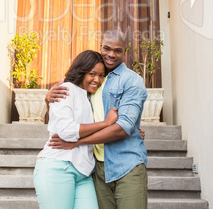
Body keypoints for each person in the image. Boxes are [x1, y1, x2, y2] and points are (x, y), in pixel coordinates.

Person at [47, 29, 148, 209]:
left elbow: (122, 128)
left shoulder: (132, 80)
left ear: (125, 51)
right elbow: (69, 112)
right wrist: (47, 99)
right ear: (100, 47)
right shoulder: (91, 80)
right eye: (107, 48)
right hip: (97, 169)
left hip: (127, 164)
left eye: (118, 50)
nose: (111, 54)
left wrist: (77, 142)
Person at [33, 49, 119, 209]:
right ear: (81, 71)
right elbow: (67, 131)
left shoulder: (90, 96)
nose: (97, 80)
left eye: (101, 75)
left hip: (83, 172)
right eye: (92, 74)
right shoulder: (66, 89)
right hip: (59, 167)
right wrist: (106, 123)